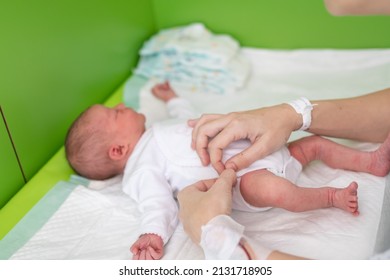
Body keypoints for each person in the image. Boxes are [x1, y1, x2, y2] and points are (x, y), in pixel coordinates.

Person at [65, 82, 390, 260]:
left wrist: (174, 98)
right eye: (114, 113)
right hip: (243, 180)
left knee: (315, 143)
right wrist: (153, 233)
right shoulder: (140, 169)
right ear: (118, 150)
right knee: (273, 191)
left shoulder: (158, 130)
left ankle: (370, 162)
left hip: (268, 151)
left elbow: (193, 120)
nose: (122, 106)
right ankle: (331, 196)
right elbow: (156, 203)